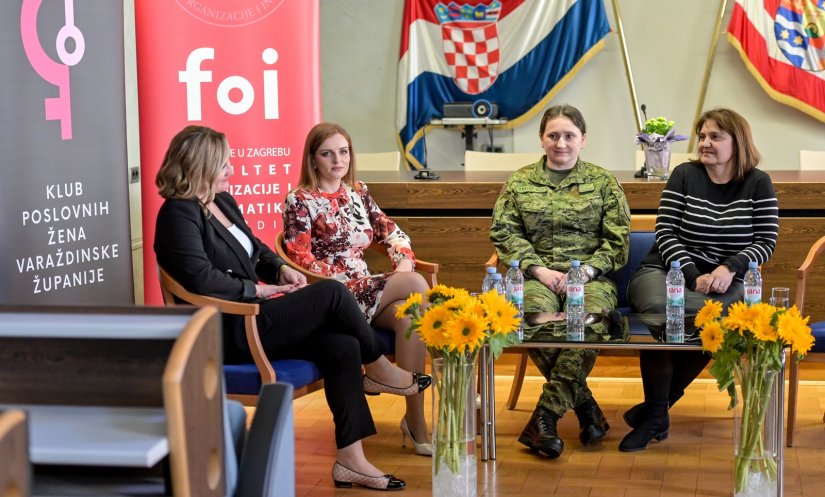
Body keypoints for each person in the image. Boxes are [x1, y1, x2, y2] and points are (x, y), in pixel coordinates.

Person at [154, 125, 432, 491]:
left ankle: (352, 460)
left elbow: (256, 249)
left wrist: (280, 268)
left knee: (342, 346)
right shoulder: (178, 214)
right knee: (332, 293)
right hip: (231, 325)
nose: (231, 170)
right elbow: (201, 279)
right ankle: (379, 365)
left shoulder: (221, 202)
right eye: (223, 164)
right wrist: (258, 288)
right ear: (200, 166)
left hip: (257, 311)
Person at [620, 108, 779, 452]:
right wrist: (693, 274)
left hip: (727, 278)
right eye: (703, 136)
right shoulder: (684, 174)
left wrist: (729, 268)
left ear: (738, 142)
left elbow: (766, 241)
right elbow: (665, 231)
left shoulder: (757, 182)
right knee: (666, 312)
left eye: (715, 137)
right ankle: (657, 414)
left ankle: (655, 413)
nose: (705, 143)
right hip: (666, 271)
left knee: (718, 320)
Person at [282, 122, 433, 456]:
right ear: (313, 159)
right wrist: (347, 280)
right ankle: (387, 377)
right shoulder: (300, 199)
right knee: (416, 287)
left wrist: (403, 261)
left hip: (369, 291)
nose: (338, 160)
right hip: (334, 295)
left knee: (412, 315)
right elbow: (299, 258)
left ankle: (415, 421)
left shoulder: (357, 192)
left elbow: (392, 233)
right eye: (328, 153)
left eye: (344, 151)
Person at [490, 104, 631, 459]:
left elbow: (618, 241)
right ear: (541, 139)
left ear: (583, 140)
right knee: (530, 320)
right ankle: (587, 409)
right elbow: (504, 233)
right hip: (536, 278)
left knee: (592, 322)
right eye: (553, 135)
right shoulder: (519, 182)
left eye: (569, 135)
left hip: (590, 279)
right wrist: (538, 270)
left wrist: (584, 273)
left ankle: (545, 418)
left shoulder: (603, 182)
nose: (561, 143)